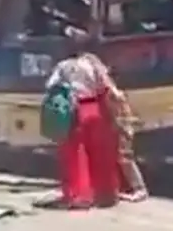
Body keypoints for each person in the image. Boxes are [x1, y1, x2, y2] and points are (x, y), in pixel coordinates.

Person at [47, 27, 122, 209]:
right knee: (100, 153)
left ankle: (81, 196)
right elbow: (105, 86)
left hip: (75, 111)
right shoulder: (93, 63)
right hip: (96, 109)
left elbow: (51, 86)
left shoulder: (63, 66)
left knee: (76, 155)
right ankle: (106, 194)